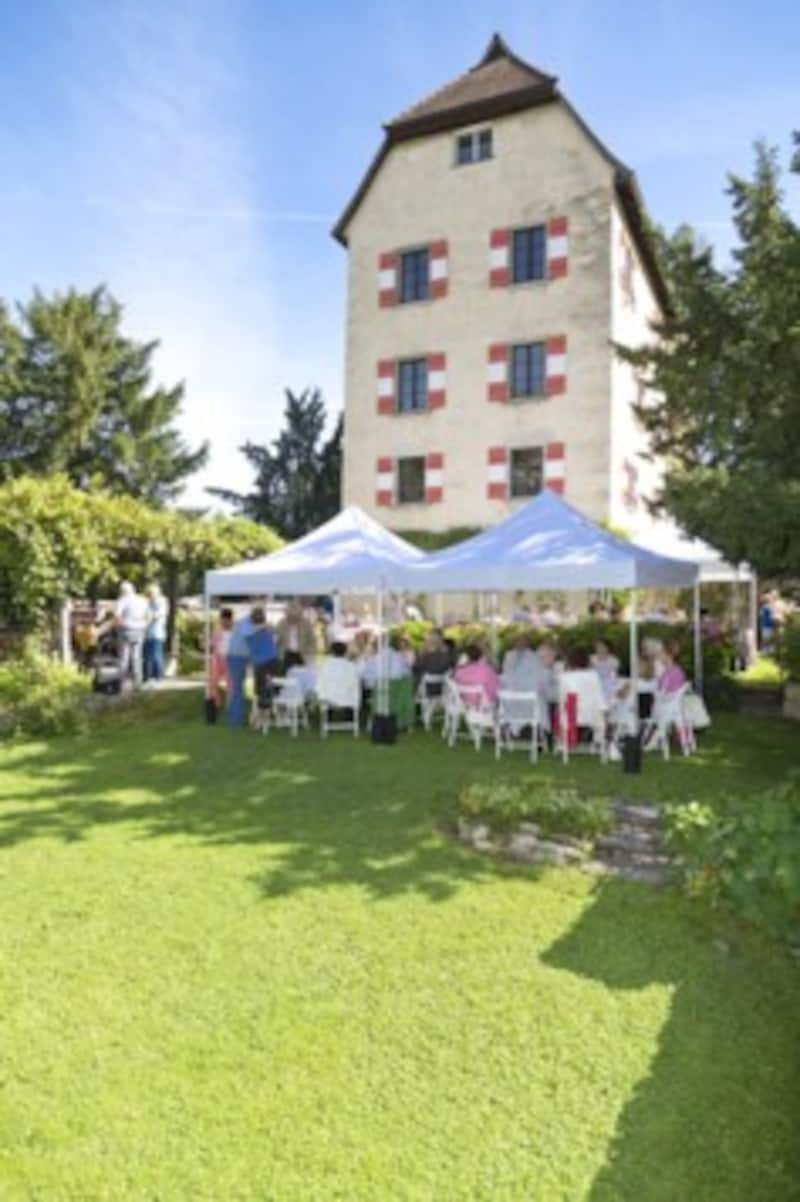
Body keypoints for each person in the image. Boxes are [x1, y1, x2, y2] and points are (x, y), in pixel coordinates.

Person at [316, 641, 361, 722]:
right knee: (352, 691)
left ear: (332, 651)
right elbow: (356, 682)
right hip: (348, 698)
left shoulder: (325, 665)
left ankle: (328, 717)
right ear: (345, 652)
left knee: (327, 692)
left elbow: (319, 684)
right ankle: (349, 718)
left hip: (329, 699)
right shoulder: (351, 666)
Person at [115, 581, 149, 689]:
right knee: (137, 657)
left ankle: (122, 683)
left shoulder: (122, 600)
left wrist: (121, 625)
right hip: (139, 630)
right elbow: (148, 615)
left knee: (124, 657)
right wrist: (144, 625)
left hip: (126, 630)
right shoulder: (142, 600)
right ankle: (138, 683)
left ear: (123, 591)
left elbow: (117, 616)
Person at [245, 608, 279, 706]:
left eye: (261, 615)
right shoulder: (249, 630)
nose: (259, 617)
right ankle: (263, 704)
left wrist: (266, 626)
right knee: (261, 688)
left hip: (271, 660)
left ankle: (270, 703)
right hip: (260, 662)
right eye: (257, 615)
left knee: (273, 685)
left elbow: (274, 630)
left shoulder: (268, 628)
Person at [276, 600, 317, 672]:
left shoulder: (306, 624)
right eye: (290, 616)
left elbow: (312, 640)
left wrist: (310, 653)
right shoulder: (281, 623)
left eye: (296, 617)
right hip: (286, 654)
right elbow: (277, 641)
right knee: (284, 677)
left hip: (302, 654)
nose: (293, 619)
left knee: (302, 677)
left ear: (300, 614)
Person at [143, 583, 169, 683]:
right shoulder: (148, 602)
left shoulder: (162, 601)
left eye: (151, 593)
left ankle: (158, 676)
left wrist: (148, 617)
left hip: (157, 633)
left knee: (156, 656)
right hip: (148, 633)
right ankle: (149, 676)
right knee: (147, 656)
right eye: (149, 593)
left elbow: (158, 615)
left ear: (157, 593)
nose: (150, 595)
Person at [209, 608, 234, 708]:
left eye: (227, 620)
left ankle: (230, 703)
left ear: (230, 620)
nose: (224, 622)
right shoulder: (217, 631)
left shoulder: (235, 632)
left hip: (230, 659)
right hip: (218, 659)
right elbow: (212, 645)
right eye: (222, 620)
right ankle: (216, 702)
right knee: (213, 681)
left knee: (231, 683)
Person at [590, 637, 620, 702]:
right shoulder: (591, 659)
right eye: (598, 647)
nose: (600, 649)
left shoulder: (613, 660)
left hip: (608, 685)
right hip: (594, 685)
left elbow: (613, 677)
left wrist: (612, 686)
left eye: (602, 646)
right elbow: (589, 674)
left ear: (607, 648)